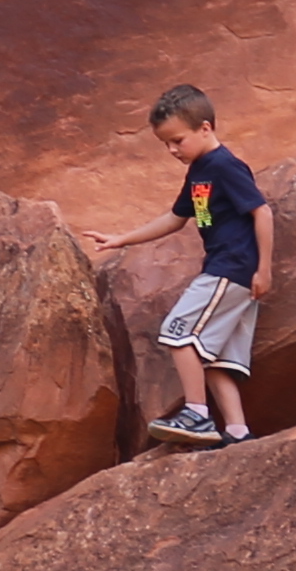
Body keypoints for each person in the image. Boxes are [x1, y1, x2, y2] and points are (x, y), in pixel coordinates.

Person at [96, 84, 273, 444]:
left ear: (205, 128)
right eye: (166, 144)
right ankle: (238, 431)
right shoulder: (199, 172)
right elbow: (177, 218)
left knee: (179, 333)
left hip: (231, 268)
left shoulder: (225, 166)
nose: (173, 150)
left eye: (178, 140)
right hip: (227, 269)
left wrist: (264, 268)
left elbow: (262, 211)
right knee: (215, 356)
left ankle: (197, 415)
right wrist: (122, 239)